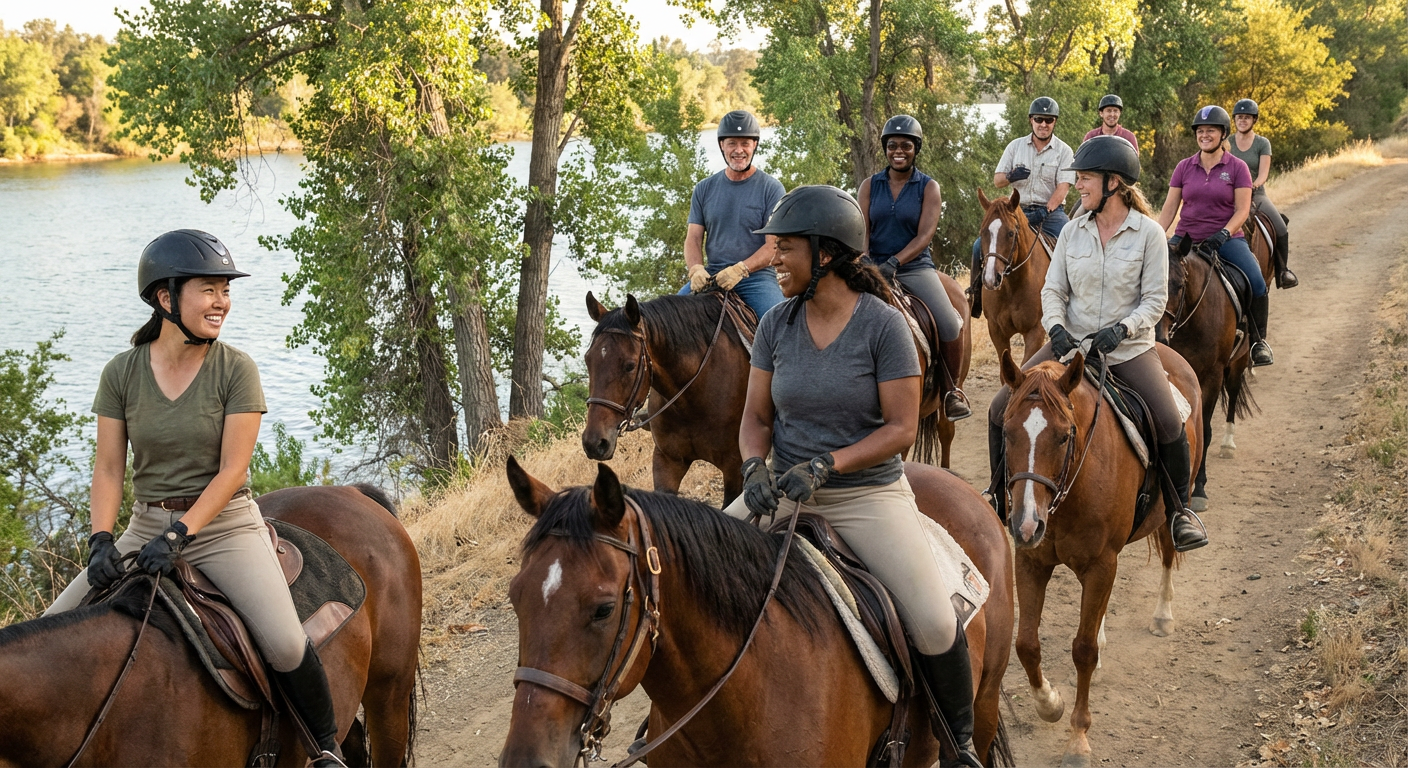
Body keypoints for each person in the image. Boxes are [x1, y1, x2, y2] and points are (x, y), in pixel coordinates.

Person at [44, 230, 346, 767]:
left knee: (282, 642)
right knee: (48, 628)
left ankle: (326, 749)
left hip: (224, 528)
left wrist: (182, 534)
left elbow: (234, 471)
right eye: (208, 289)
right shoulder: (122, 373)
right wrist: (100, 539)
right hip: (144, 525)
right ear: (166, 298)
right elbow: (110, 467)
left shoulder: (236, 369)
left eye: (225, 291)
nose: (222, 302)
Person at [726, 185, 984, 767]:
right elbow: (755, 417)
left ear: (825, 255)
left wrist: (829, 463)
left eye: (784, 249)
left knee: (935, 620)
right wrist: (751, 466)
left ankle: (959, 743)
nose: (773, 260)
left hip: (866, 497)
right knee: (697, 569)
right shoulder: (775, 324)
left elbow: (900, 427)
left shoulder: (883, 327)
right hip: (787, 492)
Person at [986, 136, 1209, 551]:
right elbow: (1053, 291)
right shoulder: (1072, 232)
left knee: (1168, 420)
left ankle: (1180, 512)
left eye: (1085, 179)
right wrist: (1055, 328)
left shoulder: (1150, 236)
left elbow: (1155, 300)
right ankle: (998, 496)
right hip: (1069, 344)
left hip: (1128, 349)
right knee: (1001, 406)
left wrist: (1123, 329)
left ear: (1114, 184)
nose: (1079, 186)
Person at [858, 114, 972, 421]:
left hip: (913, 268)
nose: (898, 150)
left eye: (905, 145)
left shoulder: (928, 187)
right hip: (872, 266)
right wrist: (867, 260)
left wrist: (896, 262)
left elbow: (925, 235)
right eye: (892, 145)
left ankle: (951, 391)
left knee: (949, 323)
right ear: (884, 148)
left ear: (915, 149)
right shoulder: (870, 186)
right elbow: (862, 230)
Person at [1157, 105, 1274, 367]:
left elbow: (1242, 210)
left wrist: (1223, 233)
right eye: (1200, 130)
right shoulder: (1184, 167)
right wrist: (1154, 236)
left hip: (1226, 240)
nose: (1204, 135)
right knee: (1146, 275)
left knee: (1256, 282)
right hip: (1184, 241)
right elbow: (1169, 208)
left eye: (1211, 130)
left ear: (1223, 135)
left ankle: (1258, 342)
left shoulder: (1238, 168)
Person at [969, 97, 1075, 317]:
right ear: (1031, 120)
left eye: (1049, 120)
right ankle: (977, 296)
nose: (1043, 124)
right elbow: (998, 180)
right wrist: (1010, 176)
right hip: (1015, 210)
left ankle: (1073, 301)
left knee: (1072, 243)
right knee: (980, 245)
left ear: (1054, 122)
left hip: (1050, 213)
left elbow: (1063, 188)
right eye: (1039, 119)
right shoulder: (1015, 146)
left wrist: (1046, 211)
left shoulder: (1064, 151)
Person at [679, 109, 787, 318]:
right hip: (712, 275)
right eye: (732, 143)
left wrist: (741, 269)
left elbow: (772, 246)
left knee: (778, 323)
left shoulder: (771, 188)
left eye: (745, 143)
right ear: (722, 145)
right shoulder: (704, 189)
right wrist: (696, 269)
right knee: (670, 320)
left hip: (756, 278)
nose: (739, 150)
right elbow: (693, 238)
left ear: (754, 145)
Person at [1229, 98, 1297, 289]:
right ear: (1235, 119)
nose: (1242, 120)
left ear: (1254, 120)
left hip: (1256, 194)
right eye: (1239, 117)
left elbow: (1263, 173)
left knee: (1280, 226)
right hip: (1229, 195)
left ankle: (1283, 271)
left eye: (1247, 117)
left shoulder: (1262, 143)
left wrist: (1253, 186)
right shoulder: (1227, 142)